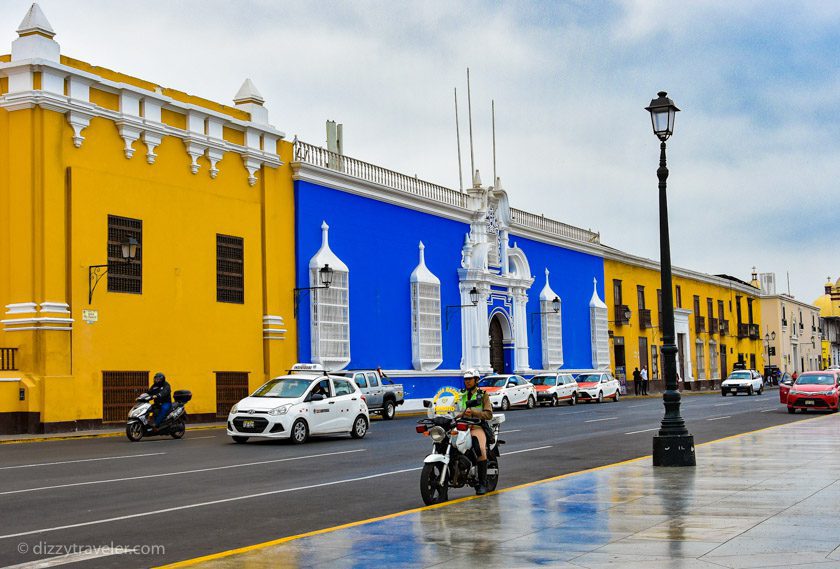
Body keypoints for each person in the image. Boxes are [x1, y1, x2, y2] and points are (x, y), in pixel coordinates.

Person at [459, 369, 493, 495]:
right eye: (465, 380)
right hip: (462, 425)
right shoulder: (460, 394)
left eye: (470, 379)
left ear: (476, 380)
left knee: (480, 450)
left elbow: (488, 414)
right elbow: (455, 408)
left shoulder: (482, 394)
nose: (467, 382)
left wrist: (474, 413)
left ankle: (482, 483)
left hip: (477, 426)